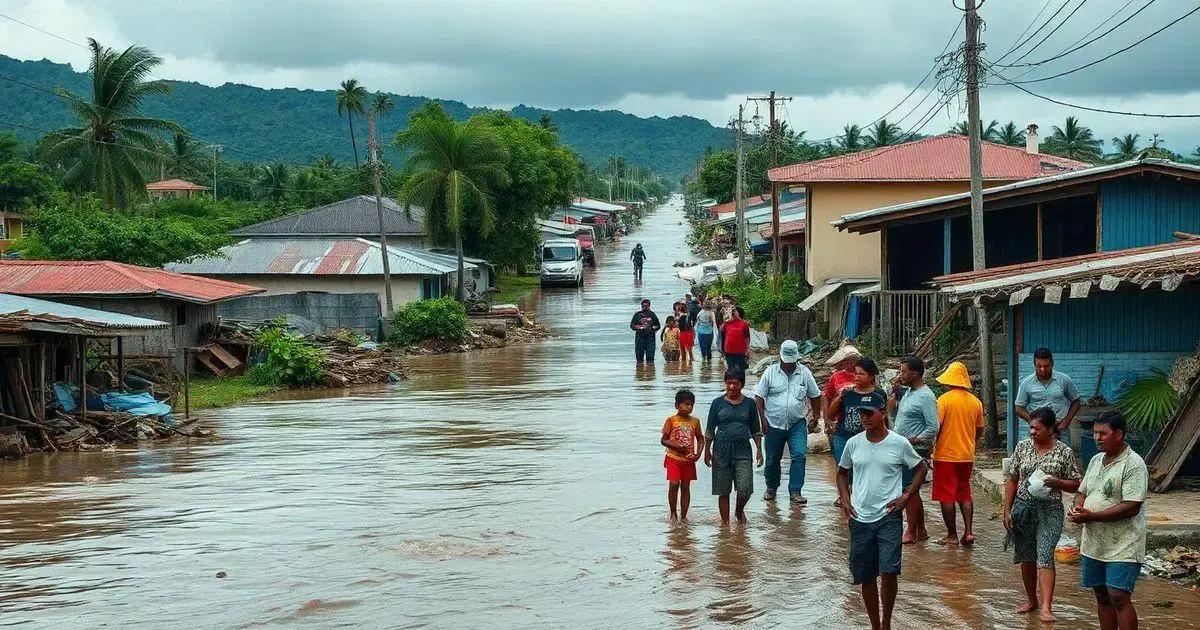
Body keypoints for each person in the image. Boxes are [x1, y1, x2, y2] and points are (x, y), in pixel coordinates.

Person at [836, 395, 927, 630]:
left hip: (889, 515)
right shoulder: (853, 443)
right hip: (859, 517)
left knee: (889, 570)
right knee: (865, 575)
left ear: (883, 413)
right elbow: (842, 473)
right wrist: (846, 500)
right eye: (861, 413)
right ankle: (875, 625)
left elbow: (920, 467)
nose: (864, 418)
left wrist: (907, 495)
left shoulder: (899, 443)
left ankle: (886, 622)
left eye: (870, 413)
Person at [1069, 410, 1148, 630]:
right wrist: (1078, 507)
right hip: (1095, 542)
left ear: (1119, 434)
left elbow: (1132, 507)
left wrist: (1091, 515)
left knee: (1119, 595)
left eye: (1103, 433)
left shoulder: (1133, 464)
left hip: (1124, 542)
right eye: (1095, 433)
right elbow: (1082, 490)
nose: (1097, 438)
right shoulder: (1095, 460)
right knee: (1101, 594)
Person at [1003, 407, 1082, 623]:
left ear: (1050, 429)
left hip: (1050, 510)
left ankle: (1047, 606)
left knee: (1045, 555)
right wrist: (1006, 509)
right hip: (1023, 507)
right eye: (1030, 427)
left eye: (1037, 428)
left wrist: (1057, 483)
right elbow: (1012, 478)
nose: (1032, 432)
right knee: (1026, 557)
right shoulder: (1022, 447)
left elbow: (1076, 483)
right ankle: (1031, 600)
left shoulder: (1063, 452)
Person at [754, 340, 823, 504]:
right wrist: (762, 418)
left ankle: (795, 491)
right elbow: (759, 396)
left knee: (799, 456)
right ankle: (771, 488)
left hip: (797, 423)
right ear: (780, 357)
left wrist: (815, 416)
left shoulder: (804, 373)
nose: (789, 364)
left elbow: (815, 394)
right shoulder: (770, 372)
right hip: (772, 422)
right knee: (772, 459)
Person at [932, 361, 985, 546]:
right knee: (964, 492)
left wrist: (934, 447)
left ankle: (952, 535)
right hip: (967, 455)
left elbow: (936, 427)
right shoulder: (976, 402)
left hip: (946, 455)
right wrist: (970, 442)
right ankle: (969, 532)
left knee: (946, 495)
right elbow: (979, 429)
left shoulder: (944, 400)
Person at [888, 355, 939, 545]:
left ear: (915, 373)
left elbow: (933, 427)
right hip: (905, 448)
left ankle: (910, 532)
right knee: (912, 489)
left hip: (916, 450)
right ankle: (921, 531)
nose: (900, 375)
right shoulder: (909, 392)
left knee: (910, 490)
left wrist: (914, 439)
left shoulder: (926, 396)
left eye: (903, 371)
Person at [704, 367, 764, 524]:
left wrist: (759, 450)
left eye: (735, 383)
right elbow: (710, 429)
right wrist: (706, 452)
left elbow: (756, 430)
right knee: (723, 491)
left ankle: (738, 511)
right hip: (721, 450)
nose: (731, 387)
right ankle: (725, 526)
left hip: (743, 450)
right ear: (725, 383)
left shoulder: (750, 404)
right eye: (728, 383)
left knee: (745, 489)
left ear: (742, 385)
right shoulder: (717, 403)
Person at [827, 357, 887, 468]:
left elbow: (883, 419)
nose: (857, 377)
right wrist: (840, 397)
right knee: (843, 470)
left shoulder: (878, 395)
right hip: (843, 438)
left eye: (861, 374)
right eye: (856, 373)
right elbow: (830, 415)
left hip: (868, 440)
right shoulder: (847, 393)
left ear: (871, 376)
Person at [1015, 348, 1081, 447]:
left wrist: (1066, 421)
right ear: (1034, 365)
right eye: (1039, 366)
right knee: (1036, 459)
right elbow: (1019, 408)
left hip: (1060, 430)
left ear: (1052, 364)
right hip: (1037, 432)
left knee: (1063, 458)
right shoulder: (1026, 383)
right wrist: (1034, 422)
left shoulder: (1064, 380)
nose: (1042, 369)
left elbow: (1076, 402)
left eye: (1046, 366)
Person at [661, 389, 705, 521]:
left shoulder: (695, 421)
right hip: (673, 458)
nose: (689, 407)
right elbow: (663, 440)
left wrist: (698, 454)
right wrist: (677, 446)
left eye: (691, 404)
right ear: (677, 405)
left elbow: (700, 439)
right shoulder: (671, 420)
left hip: (688, 460)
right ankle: (673, 513)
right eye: (686, 404)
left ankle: (684, 516)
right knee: (674, 484)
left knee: (686, 486)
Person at [823, 346, 862, 433]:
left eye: (851, 359)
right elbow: (826, 395)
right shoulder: (836, 376)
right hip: (840, 420)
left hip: (862, 420)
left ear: (857, 361)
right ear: (841, 362)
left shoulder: (863, 375)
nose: (848, 362)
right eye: (845, 360)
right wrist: (826, 416)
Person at [629, 299, 661, 363]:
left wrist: (652, 328)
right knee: (639, 359)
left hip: (650, 339)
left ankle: (650, 371)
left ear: (649, 306)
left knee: (650, 359)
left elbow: (658, 325)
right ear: (641, 306)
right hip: (639, 339)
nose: (645, 307)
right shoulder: (637, 315)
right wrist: (636, 327)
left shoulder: (652, 315)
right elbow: (632, 325)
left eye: (646, 306)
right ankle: (640, 372)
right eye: (643, 306)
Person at [721, 306, 752, 371]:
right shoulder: (727, 324)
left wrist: (748, 349)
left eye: (735, 311)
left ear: (739, 313)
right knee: (731, 369)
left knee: (740, 369)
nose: (733, 312)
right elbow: (722, 332)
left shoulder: (744, 325)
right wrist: (728, 316)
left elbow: (747, 338)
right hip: (729, 350)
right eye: (732, 311)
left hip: (740, 351)